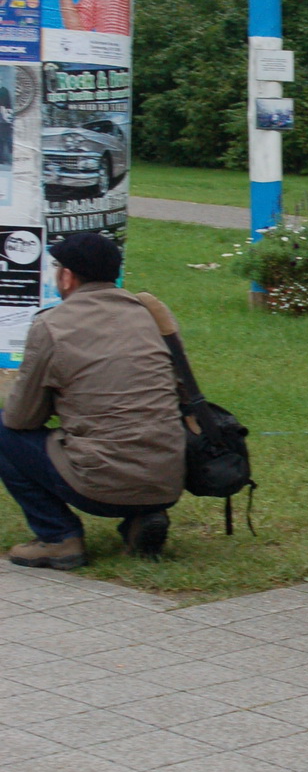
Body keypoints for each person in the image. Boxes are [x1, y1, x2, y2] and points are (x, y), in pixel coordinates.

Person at [0, 232, 184, 568]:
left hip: (99, 483)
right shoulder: (150, 313)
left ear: (67, 276)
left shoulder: (51, 325)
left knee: (2, 429)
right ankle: (143, 517)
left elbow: (20, 419)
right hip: (169, 476)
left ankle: (58, 538)